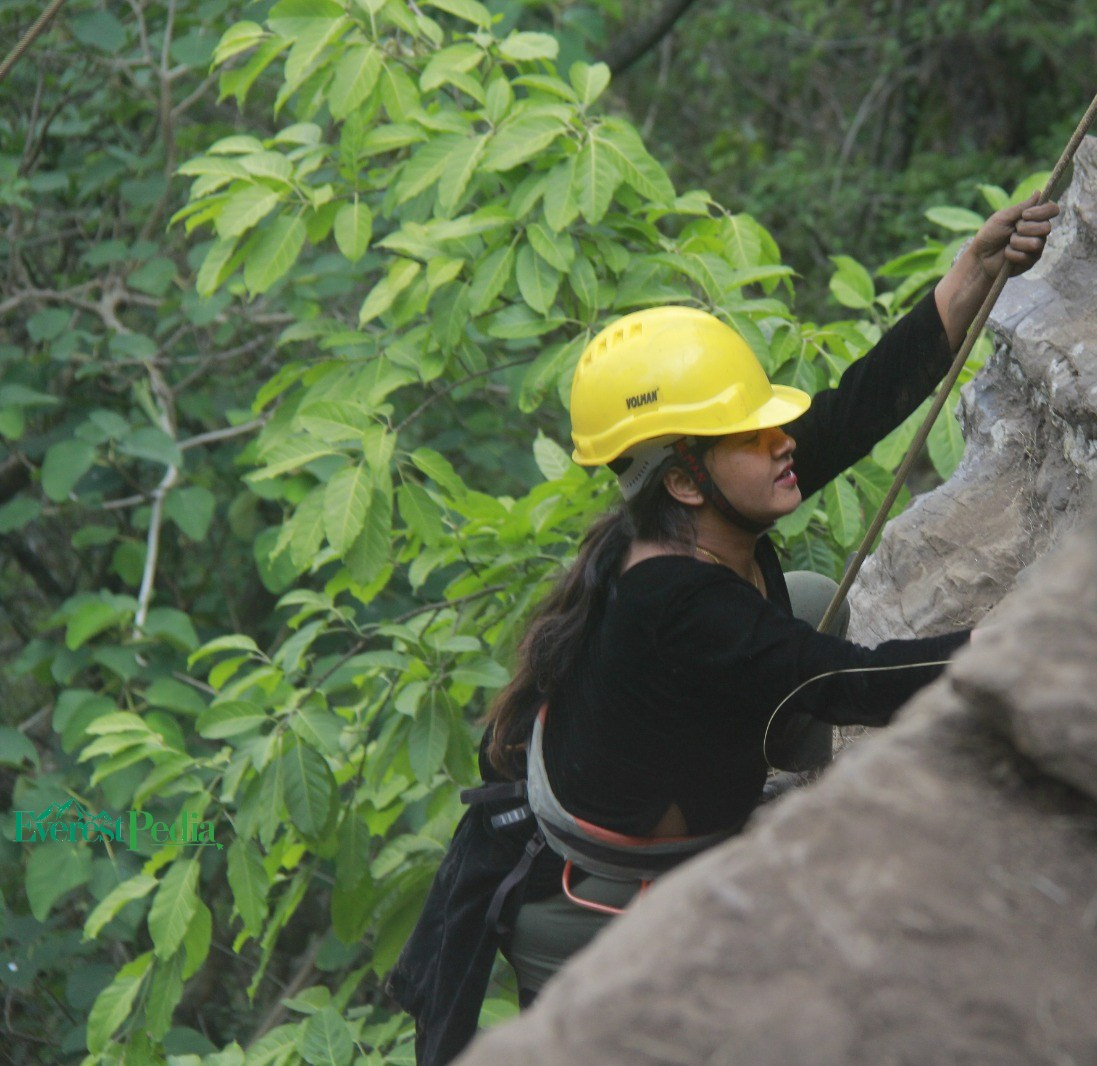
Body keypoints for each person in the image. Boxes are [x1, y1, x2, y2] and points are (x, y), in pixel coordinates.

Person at [387, 194, 1059, 1065]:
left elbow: (854, 410)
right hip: (597, 906)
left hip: (642, 805)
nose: (781, 440)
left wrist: (972, 272)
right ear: (686, 479)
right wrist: (1039, 639)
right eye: (751, 432)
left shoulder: (698, 514)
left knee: (807, 593)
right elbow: (849, 682)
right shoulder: (672, 599)